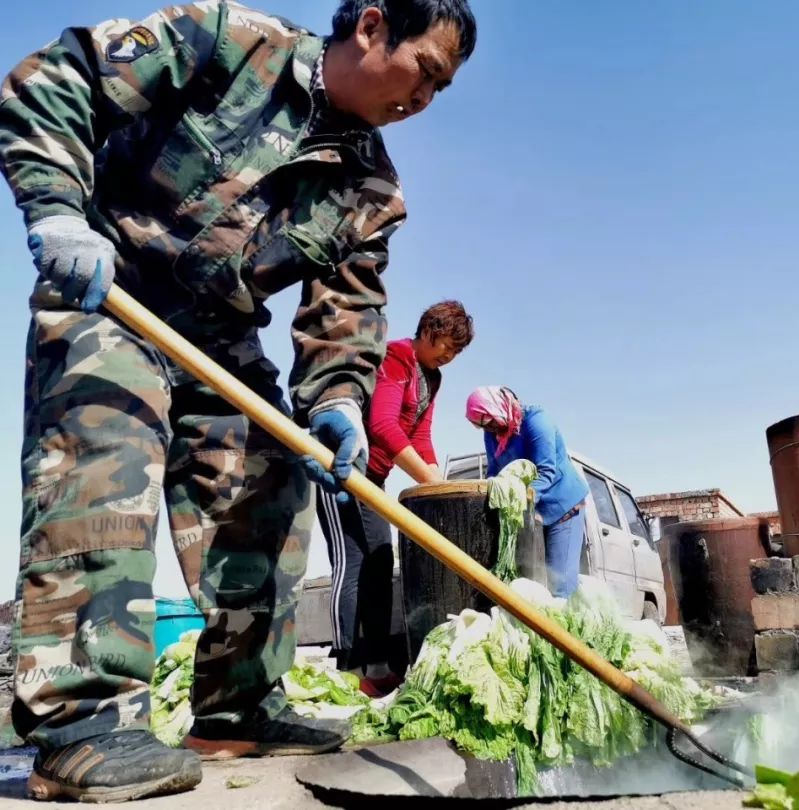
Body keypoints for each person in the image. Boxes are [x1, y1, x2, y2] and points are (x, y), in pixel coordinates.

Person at [0, 0, 476, 801]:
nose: (421, 100)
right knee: (105, 464)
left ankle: (237, 710)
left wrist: (339, 401)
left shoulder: (372, 189)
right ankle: (80, 729)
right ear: (369, 26)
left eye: (440, 91)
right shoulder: (225, 41)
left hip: (221, 336)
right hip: (112, 293)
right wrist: (54, 206)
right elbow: (58, 79)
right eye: (424, 72)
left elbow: (347, 316)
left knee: (272, 483)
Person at [314, 300, 473, 696]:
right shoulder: (399, 357)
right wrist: (425, 477)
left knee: (381, 560)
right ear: (427, 333)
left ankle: (378, 665)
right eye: (445, 347)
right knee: (352, 564)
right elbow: (382, 425)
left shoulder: (432, 378)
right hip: (344, 471)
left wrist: (435, 483)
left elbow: (420, 436)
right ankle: (347, 665)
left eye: (456, 352)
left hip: (376, 481)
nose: (449, 356)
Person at [465, 387, 590, 598]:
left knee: (560, 586)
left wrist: (518, 500)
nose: (492, 430)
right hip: (531, 512)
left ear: (499, 408)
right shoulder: (492, 433)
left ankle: (562, 629)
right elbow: (495, 472)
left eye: (492, 423)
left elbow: (546, 471)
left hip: (562, 509)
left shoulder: (536, 422)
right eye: (484, 426)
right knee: (527, 584)